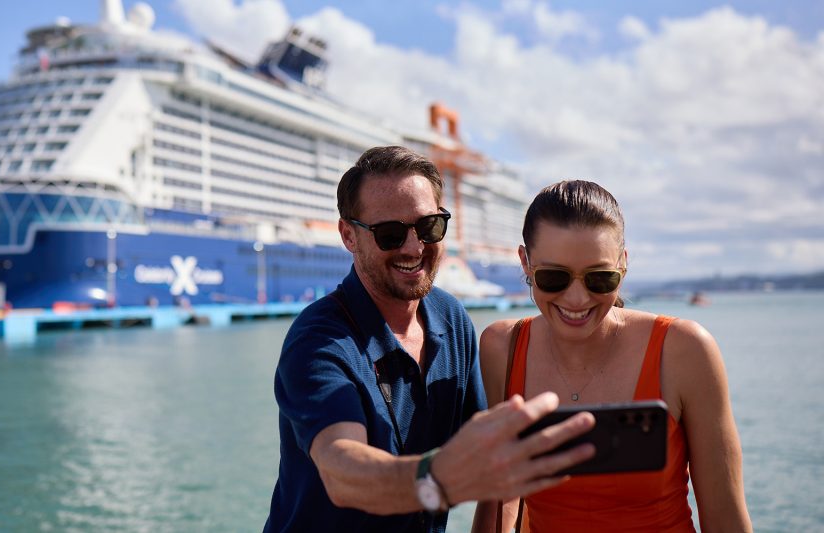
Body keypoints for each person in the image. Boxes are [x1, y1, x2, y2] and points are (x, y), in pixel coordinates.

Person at [264, 147, 597, 532]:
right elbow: (342, 470)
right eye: (389, 234)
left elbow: (498, 455)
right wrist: (437, 479)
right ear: (348, 236)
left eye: (429, 228)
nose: (413, 247)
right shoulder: (318, 340)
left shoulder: (451, 318)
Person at [479, 180, 752, 532]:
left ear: (623, 265)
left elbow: (725, 518)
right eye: (554, 277)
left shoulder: (684, 349)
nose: (577, 300)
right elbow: (499, 502)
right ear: (525, 263)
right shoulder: (502, 347)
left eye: (599, 279)